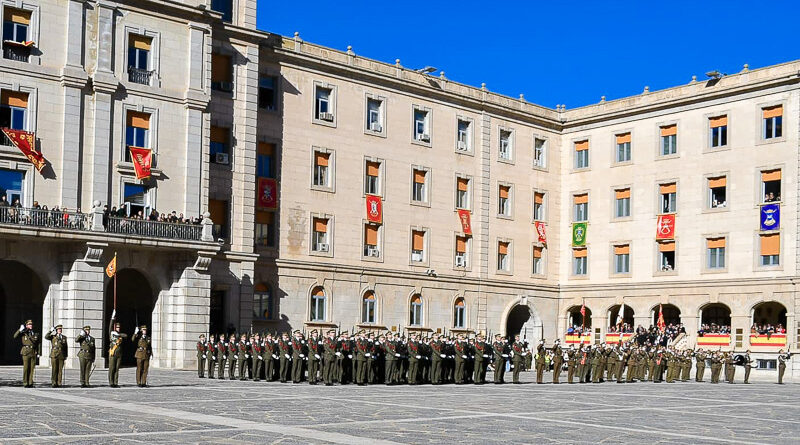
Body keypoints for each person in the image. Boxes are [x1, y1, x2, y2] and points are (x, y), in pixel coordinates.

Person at [13, 320, 40, 388]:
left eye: (31, 324)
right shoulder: (24, 333)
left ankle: (30, 382)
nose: (31, 325)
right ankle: (25, 382)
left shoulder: (35, 333)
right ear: (26, 325)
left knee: (32, 368)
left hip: (33, 351)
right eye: (29, 324)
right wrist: (20, 330)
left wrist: (39, 352)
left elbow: (38, 344)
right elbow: (15, 336)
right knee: (26, 368)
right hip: (26, 351)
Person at [108, 322, 127, 388]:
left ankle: (115, 382)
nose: (118, 329)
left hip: (119, 354)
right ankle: (111, 382)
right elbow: (110, 327)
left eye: (119, 328)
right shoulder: (112, 334)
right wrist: (112, 318)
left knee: (117, 368)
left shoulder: (119, 335)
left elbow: (125, 335)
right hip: (113, 353)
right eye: (117, 328)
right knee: (112, 368)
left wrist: (118, 334)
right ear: (115, 328)